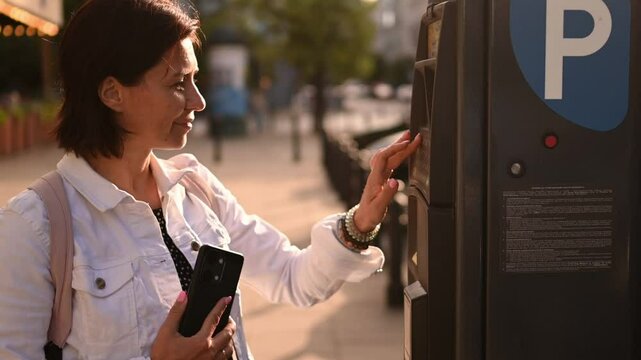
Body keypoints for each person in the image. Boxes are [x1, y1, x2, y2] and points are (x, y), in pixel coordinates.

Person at [0, 0, 421, 359]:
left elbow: (293, 276)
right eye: (177, 84)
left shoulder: (195, 188)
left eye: (195, 79)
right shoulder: (35, 228)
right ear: (113, 93)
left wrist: (360, 222)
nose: (198, 101)